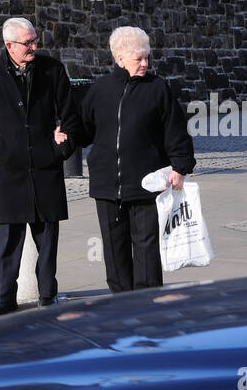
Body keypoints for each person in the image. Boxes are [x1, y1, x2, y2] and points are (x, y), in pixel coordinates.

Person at [0, 17, 82, 316]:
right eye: (27, 43)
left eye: (34, 41)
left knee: (47, 239)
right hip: (9, 172)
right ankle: (5, 297)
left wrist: (62, 149)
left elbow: (71, 115)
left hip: (46, 168)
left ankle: (47, 295)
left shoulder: (52, 69)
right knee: (8, 241)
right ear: (9, 45)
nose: (34, 47)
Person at [80, 25, 195, 294]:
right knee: (114, 250)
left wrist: (180, 166)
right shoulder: (101, 89)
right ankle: (120, 303)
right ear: (120, 58)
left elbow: (175, 130)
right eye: (138, 58)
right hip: (108, 187)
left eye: (146, 58)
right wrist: (64, 134)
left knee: (146, 249)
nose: (145, 63)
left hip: (146, 185)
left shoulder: (157, 89)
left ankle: (147, 303)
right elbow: (84, 129)